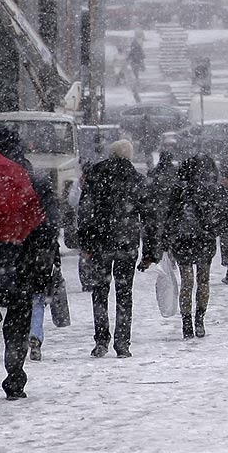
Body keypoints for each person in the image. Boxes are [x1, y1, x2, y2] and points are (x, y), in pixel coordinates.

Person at [0, 126, 56, 398]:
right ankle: (14, 376)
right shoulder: (33, 178)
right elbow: (47, 226)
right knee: (17, 322)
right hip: (24, 261)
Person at [77, 139, 160, 358]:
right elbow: (149, 217)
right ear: (130, 156)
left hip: (100, 242)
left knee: (100, 292)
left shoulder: (96, 174)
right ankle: (122, 343)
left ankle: (101, 340)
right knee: (124, 293)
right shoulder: (136, 179)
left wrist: (85, 242)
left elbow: (85, 211)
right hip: (127, 243)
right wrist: (150, 252)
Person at [161, 155, 219, 339]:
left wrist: (166, 240)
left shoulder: (178, 191)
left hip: (183, 241)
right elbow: (215, 215)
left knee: (187, 282)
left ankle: (187, 321)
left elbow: (169, 216)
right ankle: (199, 320)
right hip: (203, 241)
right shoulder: (207, 189)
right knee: (203, 281)